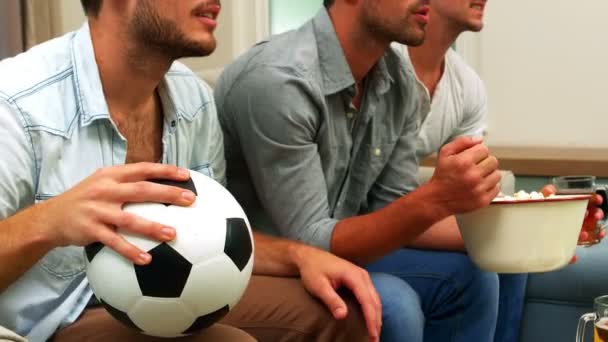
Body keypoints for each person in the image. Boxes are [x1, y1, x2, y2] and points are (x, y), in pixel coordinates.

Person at [0, 1, 382, 341]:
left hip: (172, 297)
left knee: (347, 313)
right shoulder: (16, 102)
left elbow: (214, 237)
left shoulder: (192, 97)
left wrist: (299, 256)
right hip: (55, 321)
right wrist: (49, 222)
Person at [215, 0, 503, 340]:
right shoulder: (280, 80)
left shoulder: (398, 81)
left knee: (485, 270)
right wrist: (436, 198)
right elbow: (310, 238)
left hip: (336, 248)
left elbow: (390, 210)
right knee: (393, 303)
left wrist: (506, 232)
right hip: (263, 262)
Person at [395, 2, 606, 341]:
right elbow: (379, 209)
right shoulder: (383, 68)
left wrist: (546, 224)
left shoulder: (466, 87)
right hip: (353, 225)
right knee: (480, 271)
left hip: (397, 216)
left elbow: (473, 201)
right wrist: (521, 233)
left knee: (511, 264)